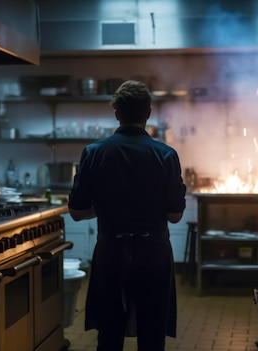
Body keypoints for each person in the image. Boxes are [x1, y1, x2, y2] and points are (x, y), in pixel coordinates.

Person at [67, 80, 187, 351]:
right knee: (152, 335)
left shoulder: (94, 153)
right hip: (154, 253)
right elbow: (176, 216)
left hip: (111, 252)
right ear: (148, 113)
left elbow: (75, 212)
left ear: (117, 113)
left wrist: (107, 206)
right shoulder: (166, 155)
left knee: (109, 336)